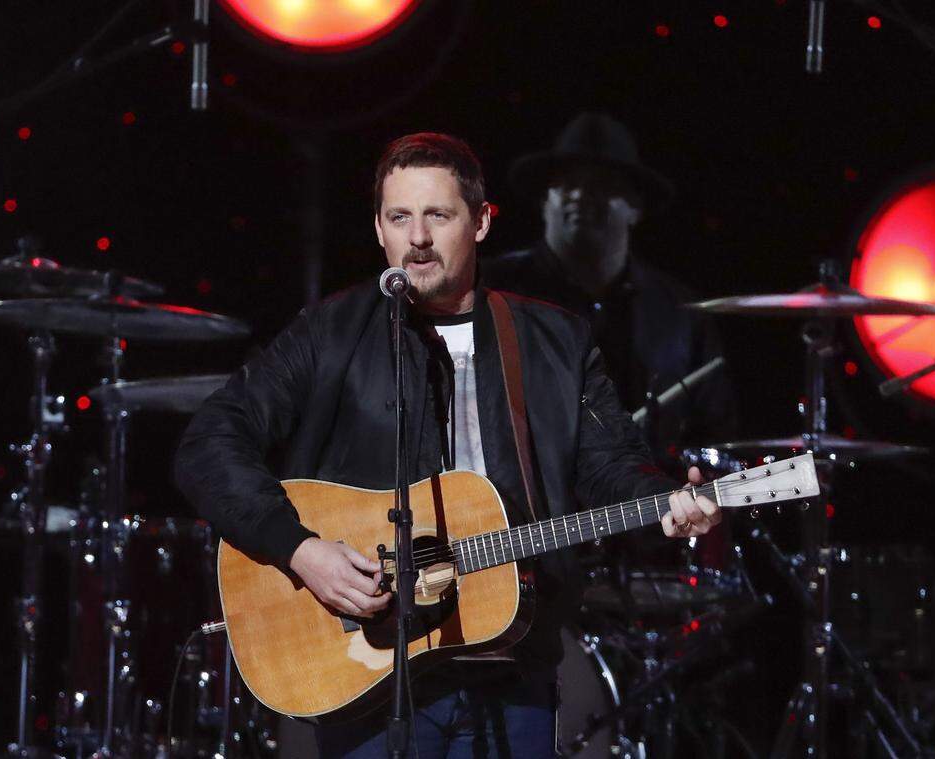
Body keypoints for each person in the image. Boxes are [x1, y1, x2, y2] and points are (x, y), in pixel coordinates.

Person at [174, 132, 720, 757]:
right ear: (379, 230)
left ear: (481, 222)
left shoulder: (554, 340)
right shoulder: (331, 332)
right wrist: (299, 550)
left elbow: (610, 464)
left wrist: (665, 500)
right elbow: (209, 442)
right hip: (368, 670)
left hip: (510, 664)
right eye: (399, 217)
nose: (418, 238)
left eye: (438, 215)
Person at [482, 112, 736, 449]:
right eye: (566, 182)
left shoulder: (682, 316)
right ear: (544, 201)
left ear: (636, 207)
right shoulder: (489, 290)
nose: (579, 194)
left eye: (601, 184)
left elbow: (715, 436)